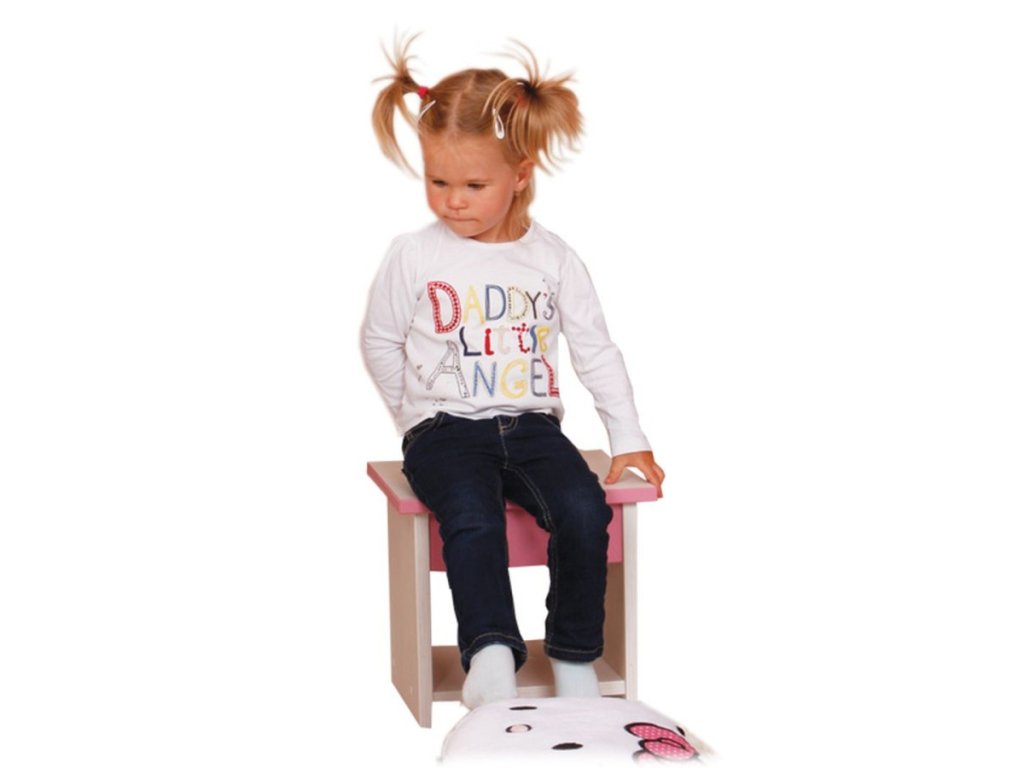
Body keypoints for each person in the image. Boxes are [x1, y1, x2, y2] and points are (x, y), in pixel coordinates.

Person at [361, 37, 665, 709]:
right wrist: (414, 417)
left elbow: (595, 350)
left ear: (520, 175)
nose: (452, 202)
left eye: (473, 186)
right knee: (471, 518)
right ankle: (491, 655)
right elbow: (380, 341)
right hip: (445, 431)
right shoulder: (414, 255)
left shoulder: (552, 258)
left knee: (584, 509)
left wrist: (629, 438)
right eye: (437, 182)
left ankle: (576, 658)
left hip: (531, 429)